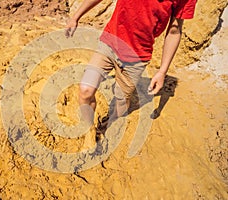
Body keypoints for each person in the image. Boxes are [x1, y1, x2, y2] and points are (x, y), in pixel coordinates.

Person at [65, 0, 197, 149]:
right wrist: (76, 16)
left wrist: (162, 72)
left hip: (137, 58)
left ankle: (111, 122)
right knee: (85, 89)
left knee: (121, 102)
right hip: (109, 43)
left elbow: (174, 30)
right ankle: (88, 132)